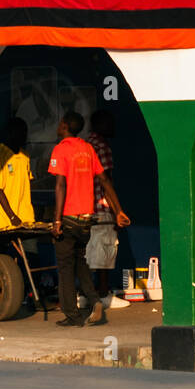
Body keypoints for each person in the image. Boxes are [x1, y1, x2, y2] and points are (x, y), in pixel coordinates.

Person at [49, 111, 129, 327]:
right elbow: (104, 179)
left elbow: (60, 185)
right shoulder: (87, 149)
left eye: (59, 123)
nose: (58, 126)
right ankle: (95, 300)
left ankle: (72, 315)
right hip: (87, 218)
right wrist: (119, 210)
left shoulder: (61, 149)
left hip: (68, 217)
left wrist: (56, 221)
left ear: (65, 125)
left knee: (65, 267)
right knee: (81, 263)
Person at [85, 109, 119, 296]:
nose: (113, 126)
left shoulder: (85, 145)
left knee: (89, 253)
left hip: (84, 207)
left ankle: (87, 293)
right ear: (99, 125)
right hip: (101, 207)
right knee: (104, 250)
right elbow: (106, 181)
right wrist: (117, 211)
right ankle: (103, 294)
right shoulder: (102, 147)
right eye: (109, 122)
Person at [0, 118, 33, 229]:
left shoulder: (24, 156)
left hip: (25, 218)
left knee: (30, 246)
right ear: (11, 133)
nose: (24, 136)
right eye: (21, 132)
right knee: (1, 246)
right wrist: (12, 216)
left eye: (25, 132)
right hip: (3, 220)